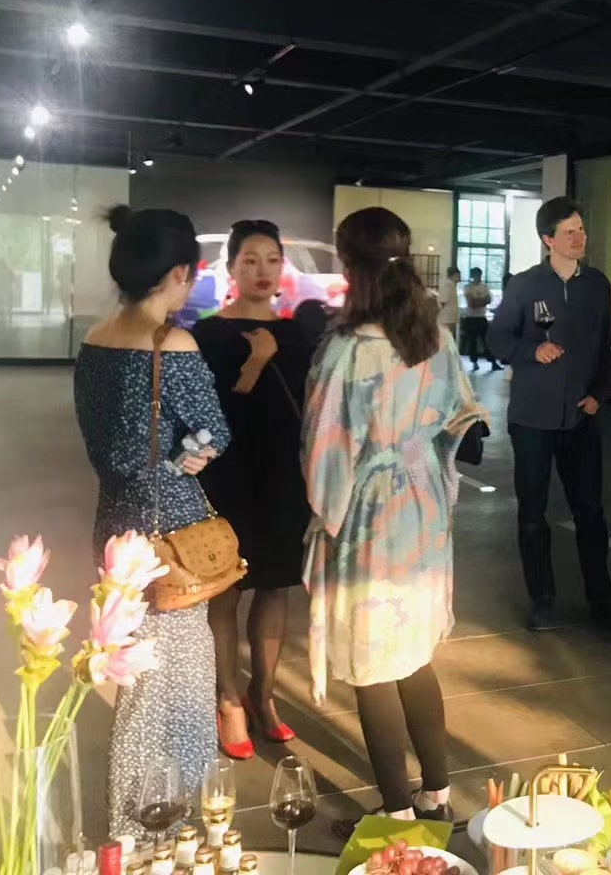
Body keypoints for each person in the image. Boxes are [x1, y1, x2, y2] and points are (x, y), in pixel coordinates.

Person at [304, 207, 486, 833]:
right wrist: (425, 454)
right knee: (413, 654)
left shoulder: (347, 351)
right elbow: (462, 414)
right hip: (423, 505)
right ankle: (437, 794)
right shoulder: (434, 336)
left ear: (347, 264)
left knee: (372, 660)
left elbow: (324, 450)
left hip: (370, 508)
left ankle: (396, 810)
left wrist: (325, 514)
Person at [73, 206, 231, 835]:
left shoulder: (95, 338)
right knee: (180, 685)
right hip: (171, 539)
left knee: (136, 674)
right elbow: (213, 431)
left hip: (115, 527)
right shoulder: (174, 343)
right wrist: (190, 455)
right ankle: (164, 826)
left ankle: (137, 822)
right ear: (179, 273)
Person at [191, 220, 315, 759]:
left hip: (284, 474)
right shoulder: (207, 335)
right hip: (227, 475)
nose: (262, 270)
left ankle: (262, 696)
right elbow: (209, 414)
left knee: (276, 586)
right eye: (250, 260)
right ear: (231, 268)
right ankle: (228, 700)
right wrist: (257, 361)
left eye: (272, 260)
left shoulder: (299, 333)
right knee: (227, 587)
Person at [487, 197, 611, 633]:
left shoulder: (597, 285)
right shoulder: (525, 286)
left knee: (590, 513)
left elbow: (606, 345)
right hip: (532, 420)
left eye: (581, 229)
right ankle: (542, 600)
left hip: (581, 417)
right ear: (547, 239)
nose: (579, 238)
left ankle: (602, 601)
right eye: (569, 232)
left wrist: (599, 395)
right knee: (532, 514)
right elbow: (497, 339)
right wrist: (532, 350)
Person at [459, 266, 500, 371]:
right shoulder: (467, 287)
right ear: (472, 276)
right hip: (471, 317)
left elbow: (488, 300)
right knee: (472, 341)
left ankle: (493, 362)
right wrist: (482, 301)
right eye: (475, 275)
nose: (477, 277)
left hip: (481, 317)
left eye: (479, 275)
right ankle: (474, 362)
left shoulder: (484, 286)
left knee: (487, 341)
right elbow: (471, 304)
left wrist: (477, 301)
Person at [438, 265, 461, 341]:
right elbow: (442, 301)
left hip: (449, 318)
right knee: (445, 339)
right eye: (458, 275)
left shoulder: (452, 285)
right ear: (454, 275)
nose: (460, 277)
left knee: (448, 338)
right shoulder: (447, 285)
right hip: (446, 318)